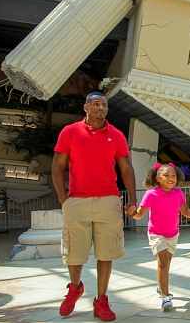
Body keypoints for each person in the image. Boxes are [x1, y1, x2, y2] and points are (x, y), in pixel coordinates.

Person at [52, 92, 137, 322]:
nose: (101, 107)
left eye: (104, 105)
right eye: (96, 104)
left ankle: (101, 300)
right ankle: (75, 288)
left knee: (106, 253)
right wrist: (64, 200)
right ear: (86, 107)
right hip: (77, 201)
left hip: (107, 201)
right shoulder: (70, 132)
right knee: (74, 253)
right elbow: (58, 166)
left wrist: (132, 199)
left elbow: (126, 169)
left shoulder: (116, 135)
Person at [126, 163, 190, 310]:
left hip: (173, 234)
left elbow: (185, 210)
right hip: (156, 234)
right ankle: (165, 296)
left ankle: (160, 286)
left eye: (173, 175)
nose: (171, 178)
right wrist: (131, 213)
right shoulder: (151, 194)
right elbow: (139, 214)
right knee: (163, 262)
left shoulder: (178, 194)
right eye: (166, 175)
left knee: (166, 264)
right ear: (158, 178)